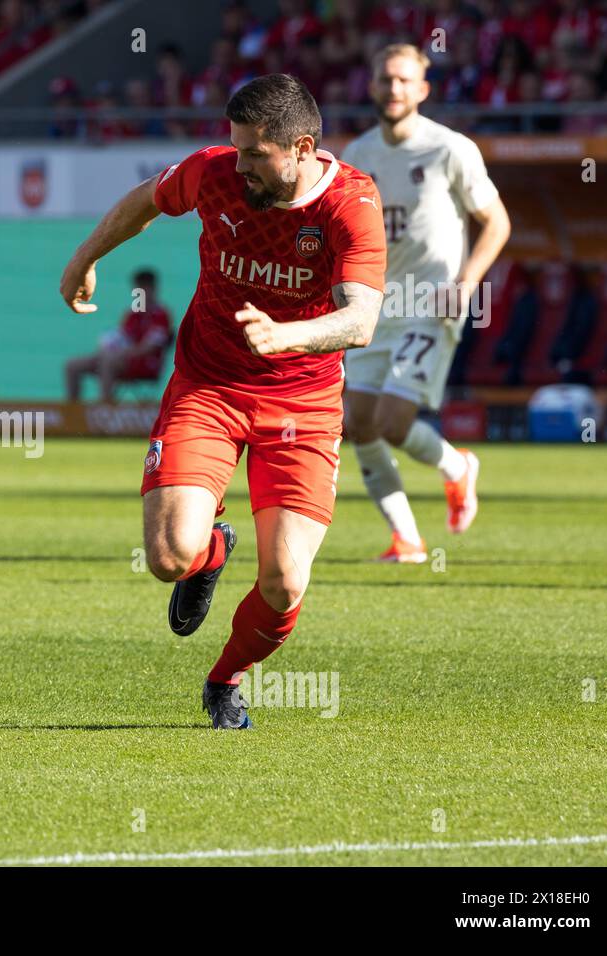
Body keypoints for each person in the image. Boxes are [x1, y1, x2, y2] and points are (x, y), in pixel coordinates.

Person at [60, 74, 386, 729]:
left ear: (300, 148)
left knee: (285, 584)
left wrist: (288, 335)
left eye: (254, 155)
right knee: (168, 558)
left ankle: (225, 679)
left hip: (304, 407)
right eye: (234, 149)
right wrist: (86, 256)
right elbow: (145, 202)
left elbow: (361, 321)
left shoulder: (351, 204)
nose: (238, 166)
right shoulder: (213, 174)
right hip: (207, 388)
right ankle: (211, 552)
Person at [340, 44, 510, 562]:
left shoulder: (450, 149)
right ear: (371, 85)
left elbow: (497, 223)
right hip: (374, 305)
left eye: (403, 80)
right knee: (359, 423)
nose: (393, 88)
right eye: (385, 79)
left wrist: (466, 280)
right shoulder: (357, 156)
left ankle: (458, 467)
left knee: (393, 421)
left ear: (422, 89)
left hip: (429, 302)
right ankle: (407, 540)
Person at [64, 269, 172, 403]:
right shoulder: (133, 314)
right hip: (122, 359)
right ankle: (72, 411)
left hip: (144, 364)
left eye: (145, 288)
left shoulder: (161, 316)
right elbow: (121, 337)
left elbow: (149, 348)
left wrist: (120, 353)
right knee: (72, 365)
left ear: (154, 289)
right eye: (138, 289)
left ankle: (104, 406)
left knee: (108, 361)